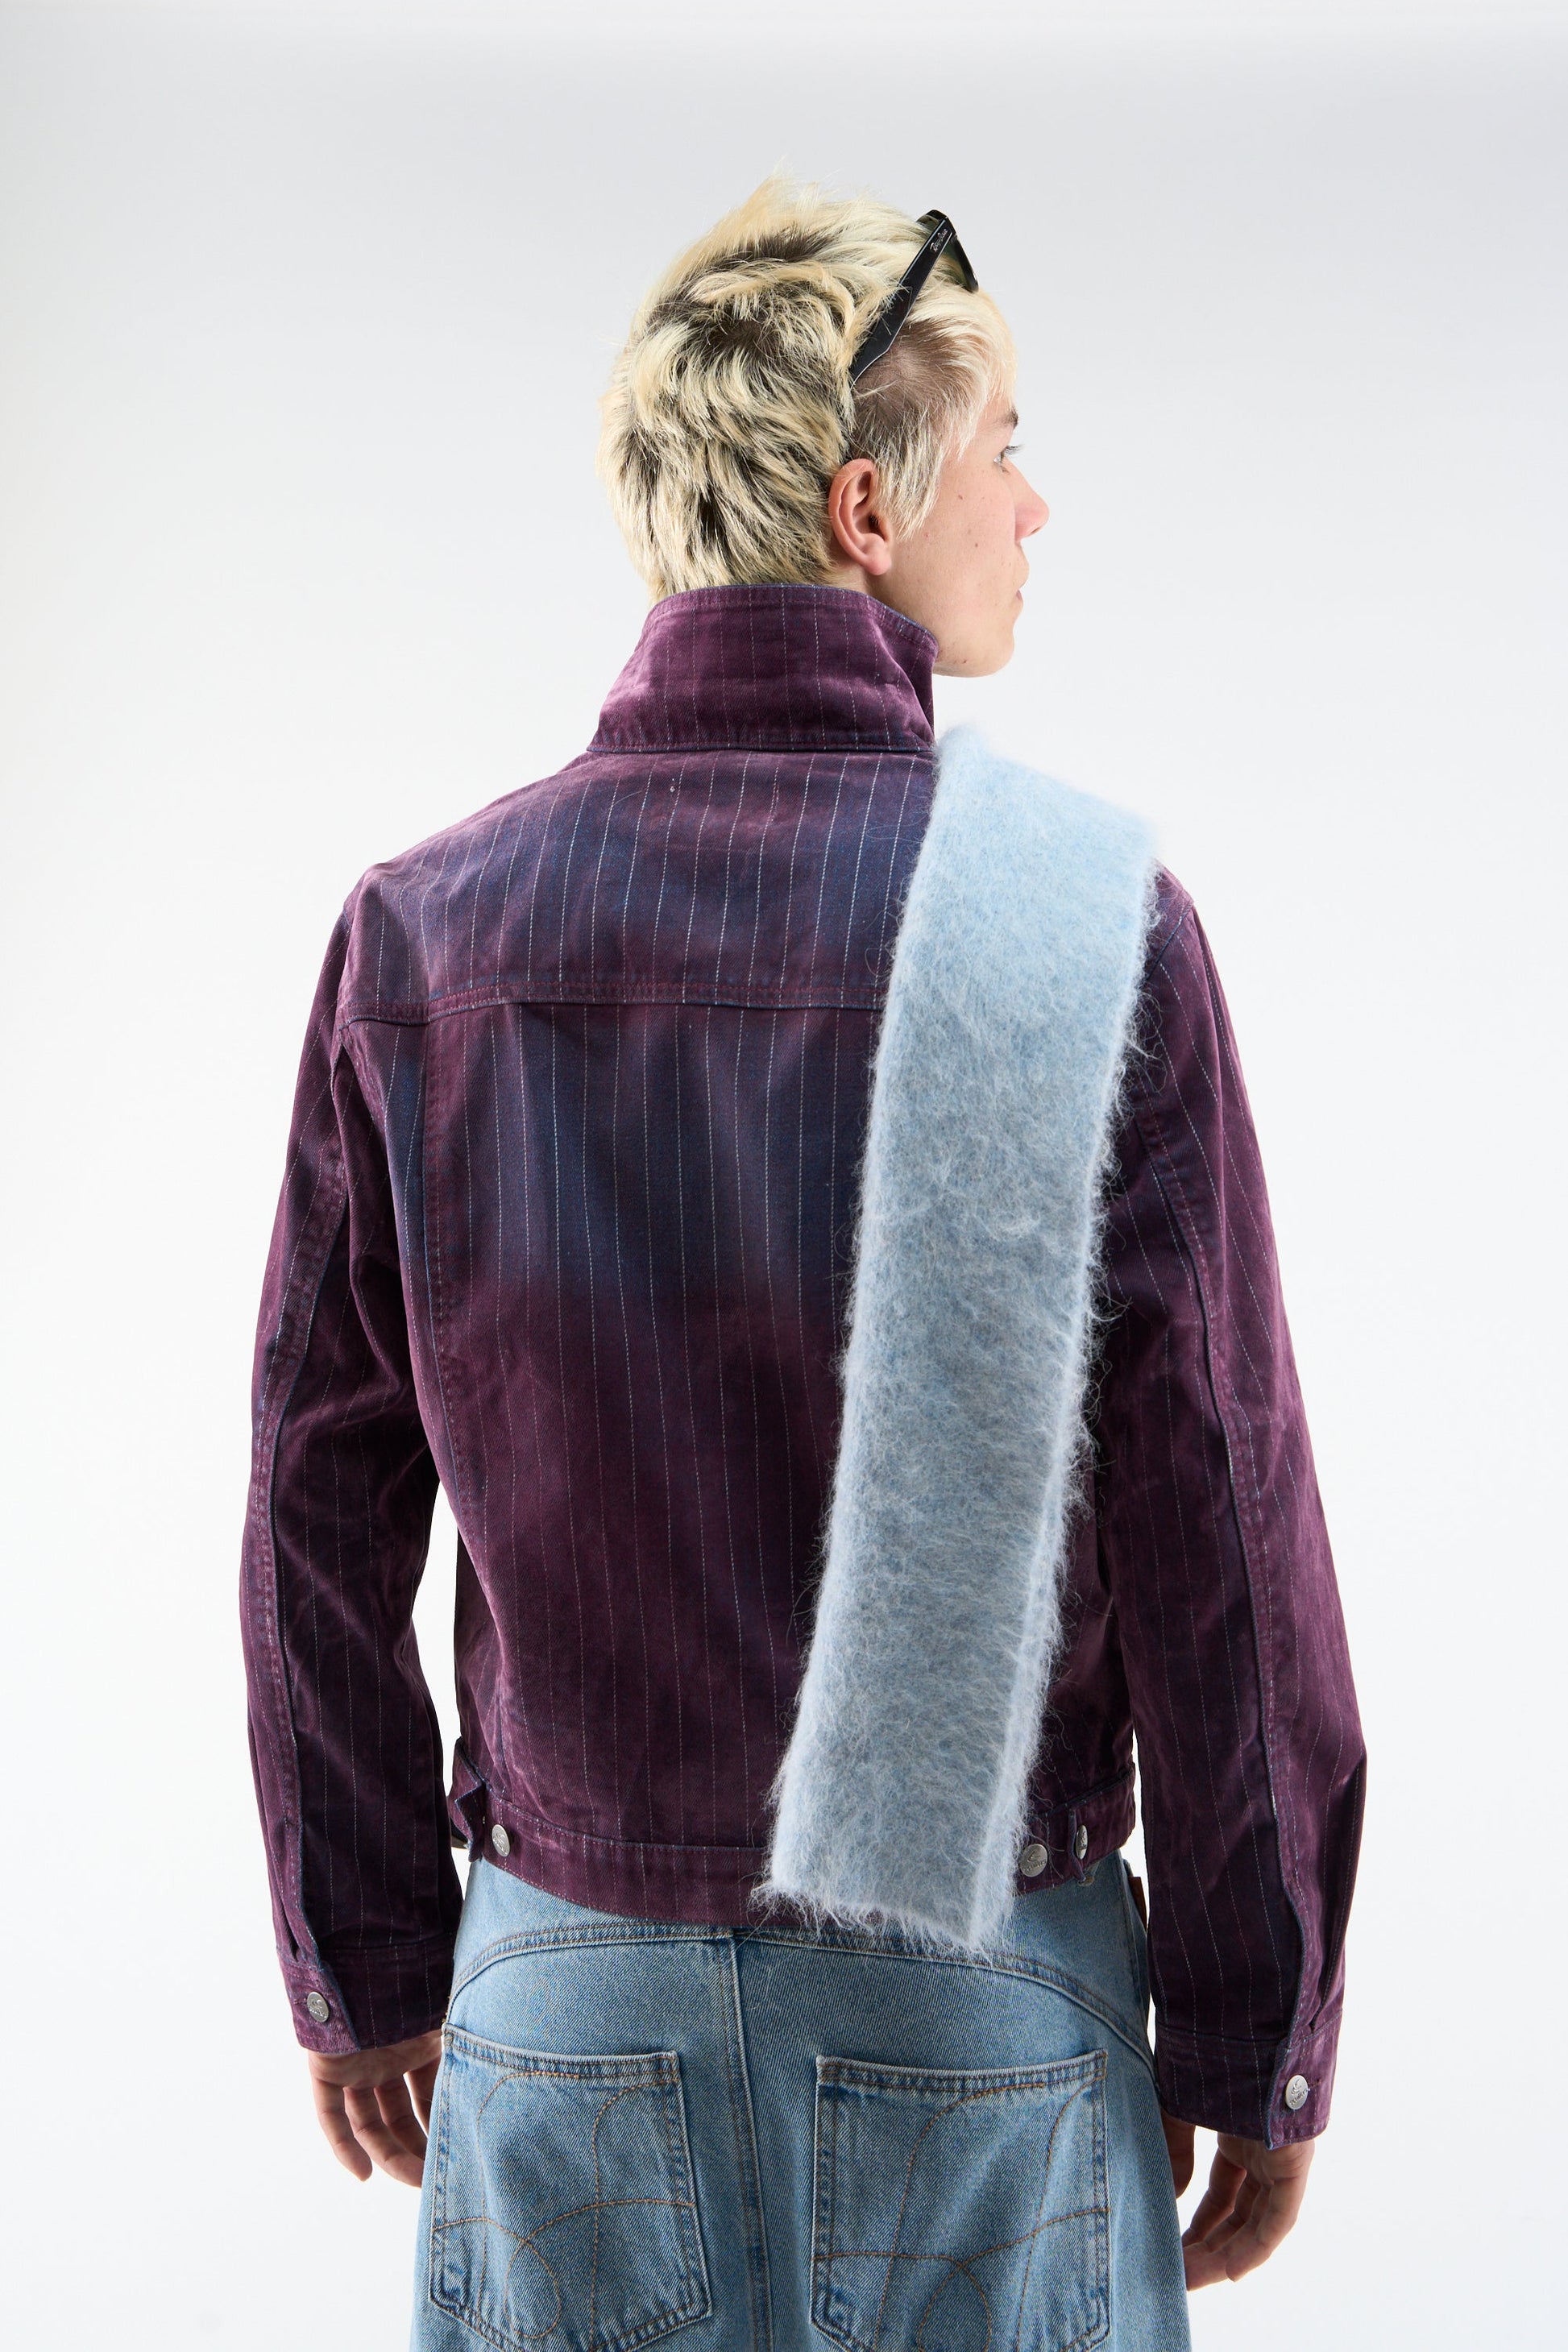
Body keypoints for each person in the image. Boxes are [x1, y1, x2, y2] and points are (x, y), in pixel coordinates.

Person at [241, 179, 1364, 2350]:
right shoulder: (1073, 920)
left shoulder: (426, 939)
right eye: (1006, 446)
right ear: (866, 507)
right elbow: (1217, 1511)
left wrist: (366, 1953)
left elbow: (314, 1494)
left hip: (562, 1990)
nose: (1033, 506)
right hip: (978, 1996)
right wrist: (1262, 2022)